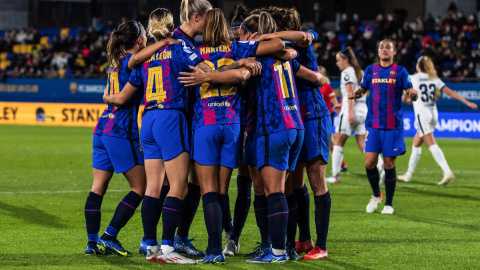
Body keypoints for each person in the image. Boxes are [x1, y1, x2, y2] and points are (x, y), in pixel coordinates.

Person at [103, 8, 213, 264]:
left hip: (148, 119)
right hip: (171, 117)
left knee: (153, 187)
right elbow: (204, 68)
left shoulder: (144, 57)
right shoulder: (178, 48)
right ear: (171, 25)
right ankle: (168, 248)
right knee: (179, 187)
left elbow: (126, 78)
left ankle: (150, 246)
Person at [177, 8, 287, 264]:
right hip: (233, 125)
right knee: (223, 188)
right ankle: (229, 238)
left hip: (205, 123)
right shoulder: (238, 48)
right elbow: (275, 48)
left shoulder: (194, 53)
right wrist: (240, 63)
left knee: (208, 190)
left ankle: (214, 250)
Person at [241, 11, 328, 263]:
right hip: (295, 124)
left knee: (277, 190)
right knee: (290, 187)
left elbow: (303, 38)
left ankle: (279, 250)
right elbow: (314, 76)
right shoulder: (288, 56)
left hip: (278, 124)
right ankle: (291, 245)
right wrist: (319, 77)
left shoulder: (257, 54)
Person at [85, 20, 176, 256]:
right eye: (145, 35)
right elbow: (136, 61)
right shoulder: (128, 62)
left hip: (102, 128)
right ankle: (110, 236)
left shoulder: (114, 63)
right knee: (141, 187)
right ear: (139, 40)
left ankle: (92, 243)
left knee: (98, 187)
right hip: (120, 131)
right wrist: (165, 41)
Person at [350, 39, 418, 215]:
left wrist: (413, 94)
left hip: (392, 125)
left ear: (394, 52)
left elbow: (410, 91)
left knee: (389, 163)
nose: (384, 49)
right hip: (373, 124)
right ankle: (376, 195)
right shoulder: (370, 70)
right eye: (381, 47)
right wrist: (357, 93)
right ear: (378, 51)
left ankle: (389, 203)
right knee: (369, 162)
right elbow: (363, 88)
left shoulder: (401, 72)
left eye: (388, 47)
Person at [398, 56, 477, 184]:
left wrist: (408, 99)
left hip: (422, 115)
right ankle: (408, 174)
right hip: (433, 114)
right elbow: (450, 92)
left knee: (431, 143)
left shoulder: (412, 78)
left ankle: (447, 171)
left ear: (418, 66)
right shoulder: (434, 78)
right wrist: (466, 102)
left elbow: (404, 99)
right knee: (416, 142)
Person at [327, 47, 385, 183]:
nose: (337, 63)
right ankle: (382, 166)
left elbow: (350, 92)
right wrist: (344, 105)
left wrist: (349, 111)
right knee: (363, 145)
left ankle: (335, 176)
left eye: (338, 60)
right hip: (363, 111)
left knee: (338, 143)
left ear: (345, 60)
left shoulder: (347, 73)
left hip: (351, 112)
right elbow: (359, 93)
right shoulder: (360, 72)